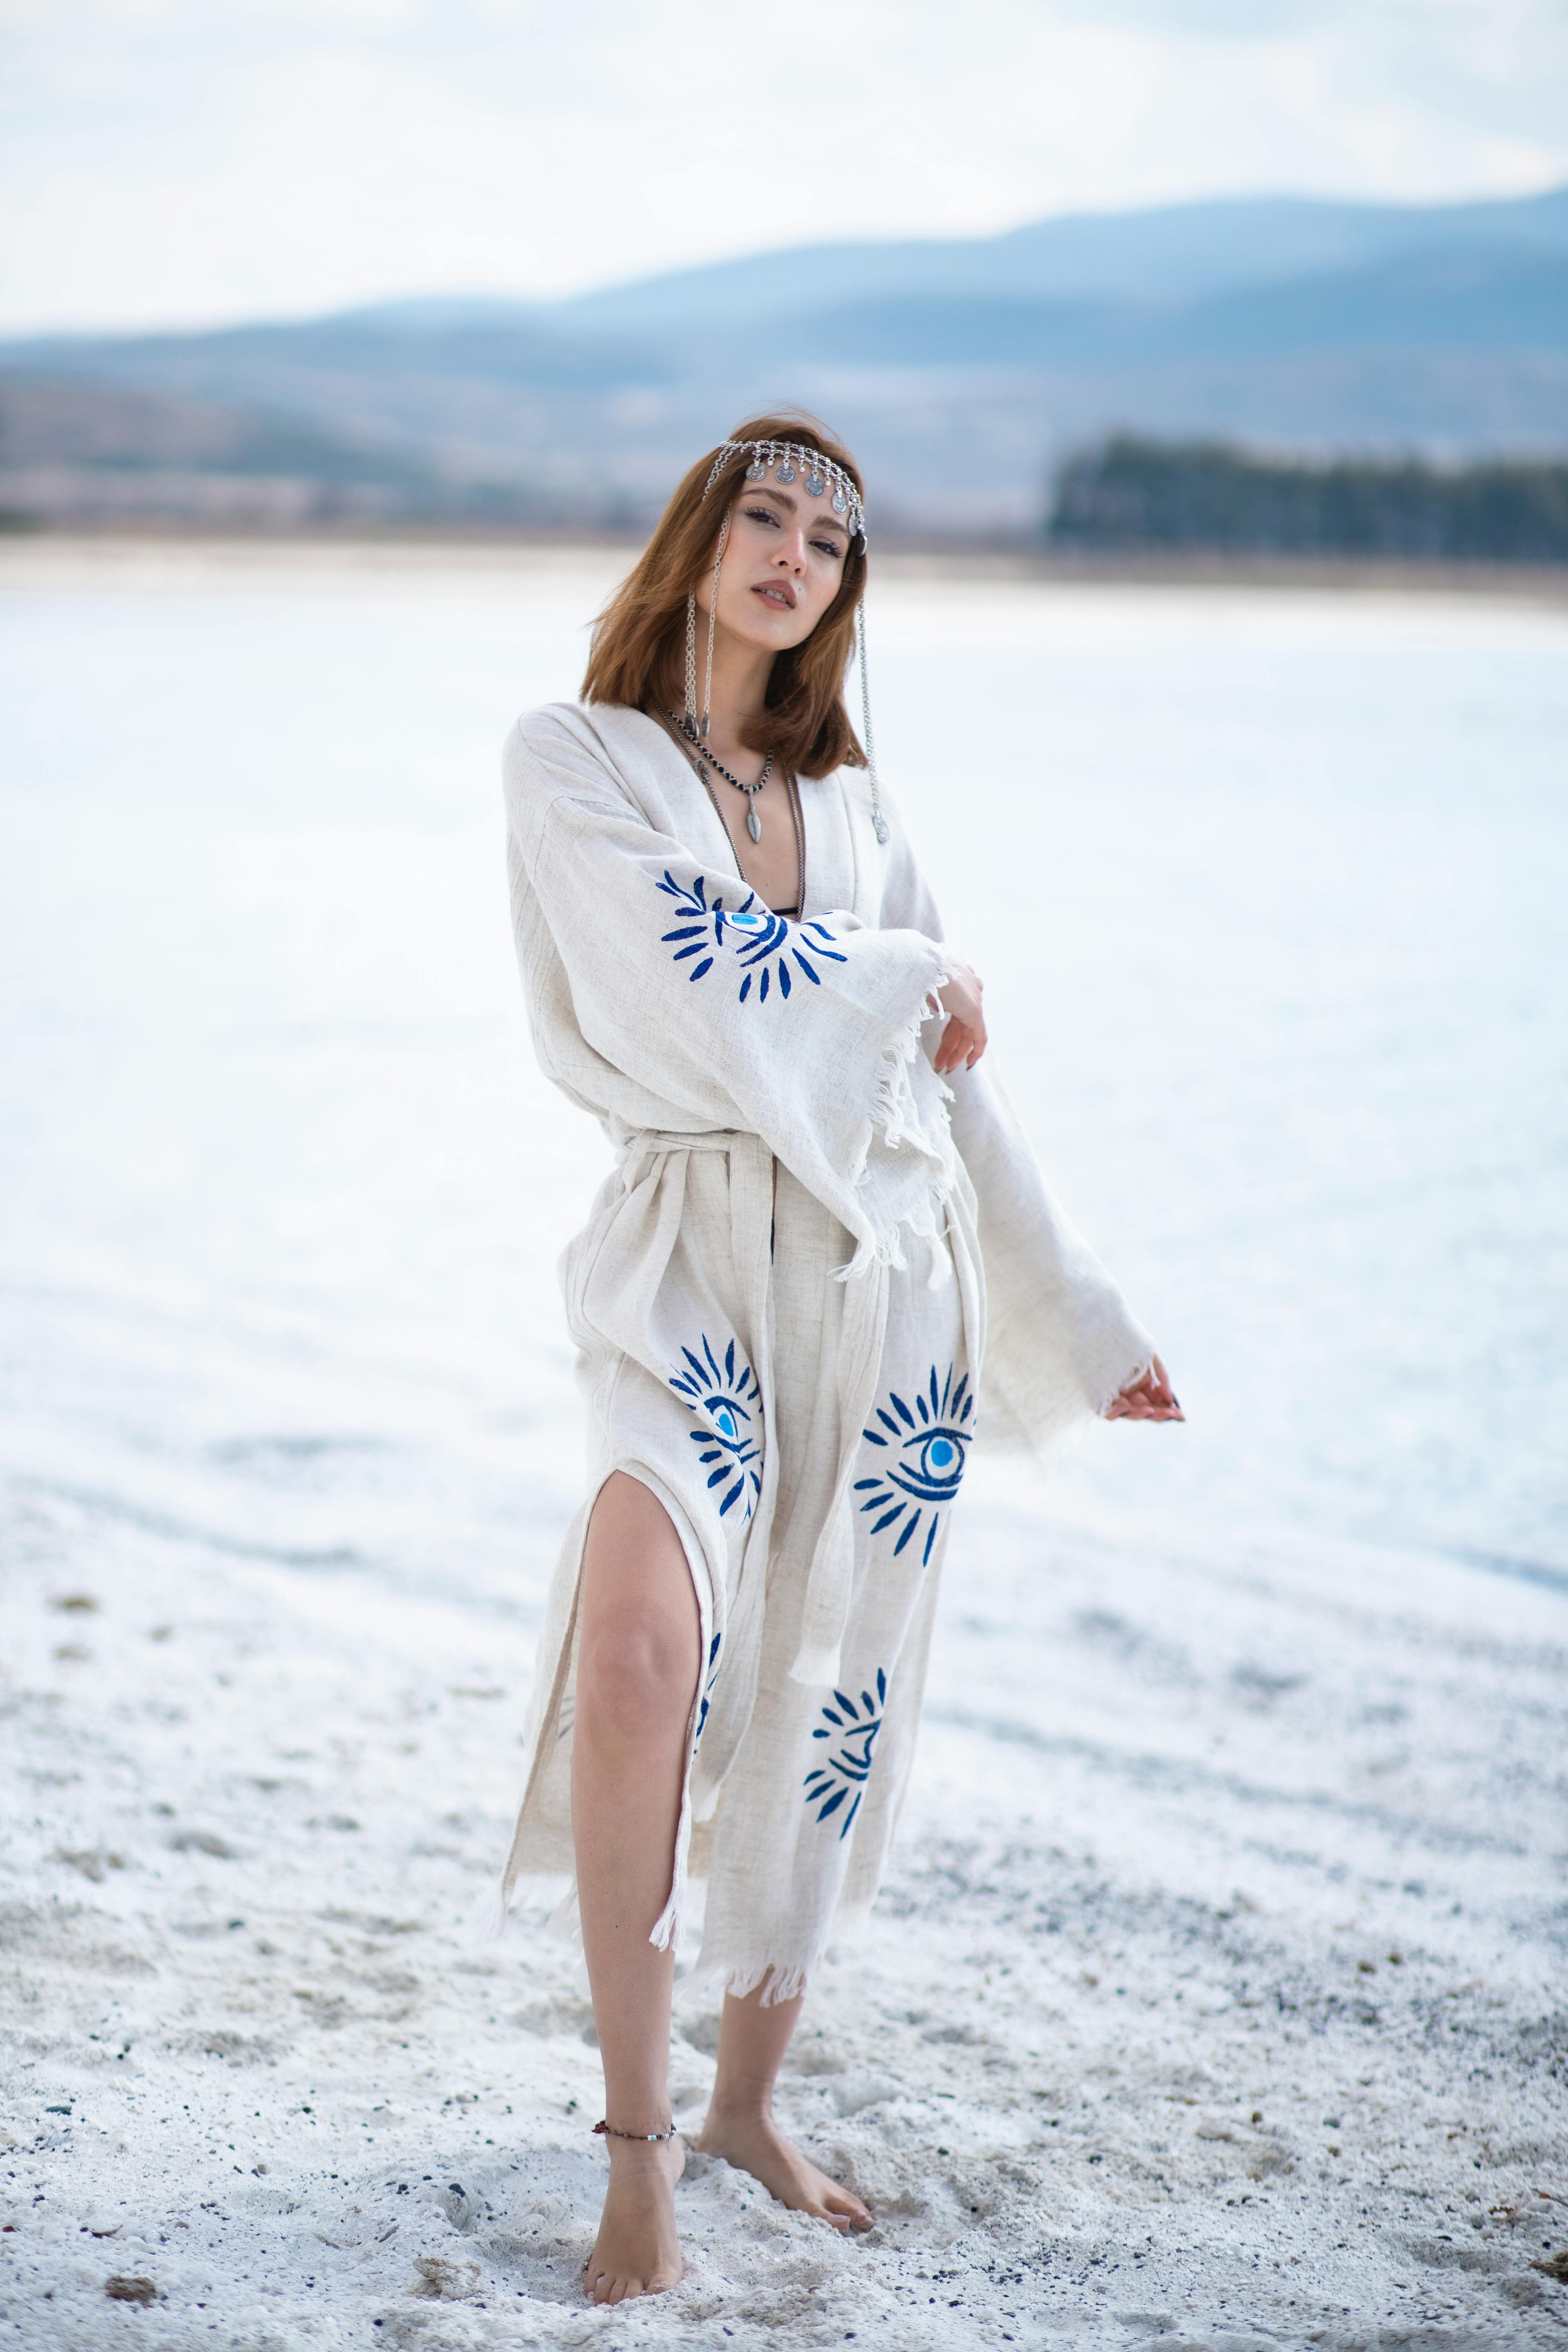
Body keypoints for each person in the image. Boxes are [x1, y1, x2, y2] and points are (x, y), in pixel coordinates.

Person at [496, 412, 1181, 2304]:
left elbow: (950, 1106)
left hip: (889, 1300)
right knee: (643, 1656)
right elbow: (692, 981)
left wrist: (1079, 1321)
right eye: (765, 513)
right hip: (687, 1275)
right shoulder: (578, 762)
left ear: (844, 592)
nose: (797, 548)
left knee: (829, 1700)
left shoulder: (866, 817)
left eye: (831, 535)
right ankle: (634, 2159)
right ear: (699, 540)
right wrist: (912, 978)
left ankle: (743, 2107)